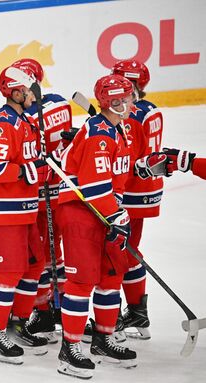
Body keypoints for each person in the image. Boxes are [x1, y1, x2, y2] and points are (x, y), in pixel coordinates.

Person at [55, 74, 139, 378]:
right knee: (82, 281)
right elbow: (93, 186)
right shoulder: (100, 134)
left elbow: (115, 174)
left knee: (111, 274)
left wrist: (115, 214)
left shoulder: (118, 129)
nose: (131, 102)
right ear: (115, 102)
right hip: (82, 213)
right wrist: (117, 216)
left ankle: (103, 338)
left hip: (104, 211)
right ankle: (70, 348)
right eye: (127, 98)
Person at [0, 64, 50, 364]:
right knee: (7, 274)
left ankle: (18, 322)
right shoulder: (2, 123)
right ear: (16, 92)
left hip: (26, 210)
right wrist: (32, 170)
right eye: (30, 88)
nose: (35, 93)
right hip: (4, 213)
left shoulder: (25, 120)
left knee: (34, 266)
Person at [16, 58, 72, 341]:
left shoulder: (25, 117)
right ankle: (61, 305)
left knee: (38, 256)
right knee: (56, 252)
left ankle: (44, 309)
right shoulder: (61, 103)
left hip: (37, 195)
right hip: (60, 192)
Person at [112, 60, 164, 340]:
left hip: (131, 191)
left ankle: (133, 314)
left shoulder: (133, 114)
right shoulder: (151, 110)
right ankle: (136, 313)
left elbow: (125, 157)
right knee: (128, 250)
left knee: (123, 253)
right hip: (146, 190)